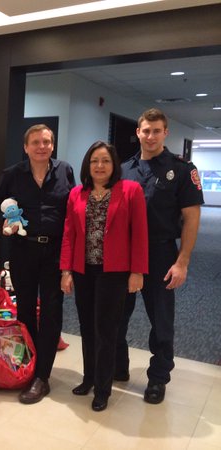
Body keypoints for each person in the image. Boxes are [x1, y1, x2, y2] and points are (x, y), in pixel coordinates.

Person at [115, 108, 204, 404]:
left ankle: (158, 378)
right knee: (116, 313)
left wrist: (183, 261)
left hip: (161, 253)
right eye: (145, 130)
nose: (150, 136)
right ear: (138, 132)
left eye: (156, 130)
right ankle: (118, 364)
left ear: (166, 133)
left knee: (161, 320)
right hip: (124, 254)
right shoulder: (124, 169)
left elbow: (191, 218)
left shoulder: (181, 169)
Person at [60, 141, 148, 412]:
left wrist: (137, 272)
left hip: (114, 272)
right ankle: (88, 378)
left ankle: (103, 387)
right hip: (84, 271)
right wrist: (66, 270)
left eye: (106, 161)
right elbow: (69, 234)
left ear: (115, 165)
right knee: (87, 327)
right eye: (95, 161)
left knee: (106, 330)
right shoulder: (77, 193)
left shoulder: (131, 191)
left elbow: (139, 234)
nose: (100, 166)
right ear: (88, 164)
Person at [0, 124, 75, 404]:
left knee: (52, 311)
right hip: (23, 250)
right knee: (25, 309)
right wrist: (7, 218)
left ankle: (43, 376)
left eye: (47, 142)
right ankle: (27, 367)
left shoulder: (64, 170)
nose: (42, 146)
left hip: (53, 252)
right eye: (36, 142)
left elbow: (72, 210)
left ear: (53, 145)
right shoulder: (12, 174)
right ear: (26, 147)